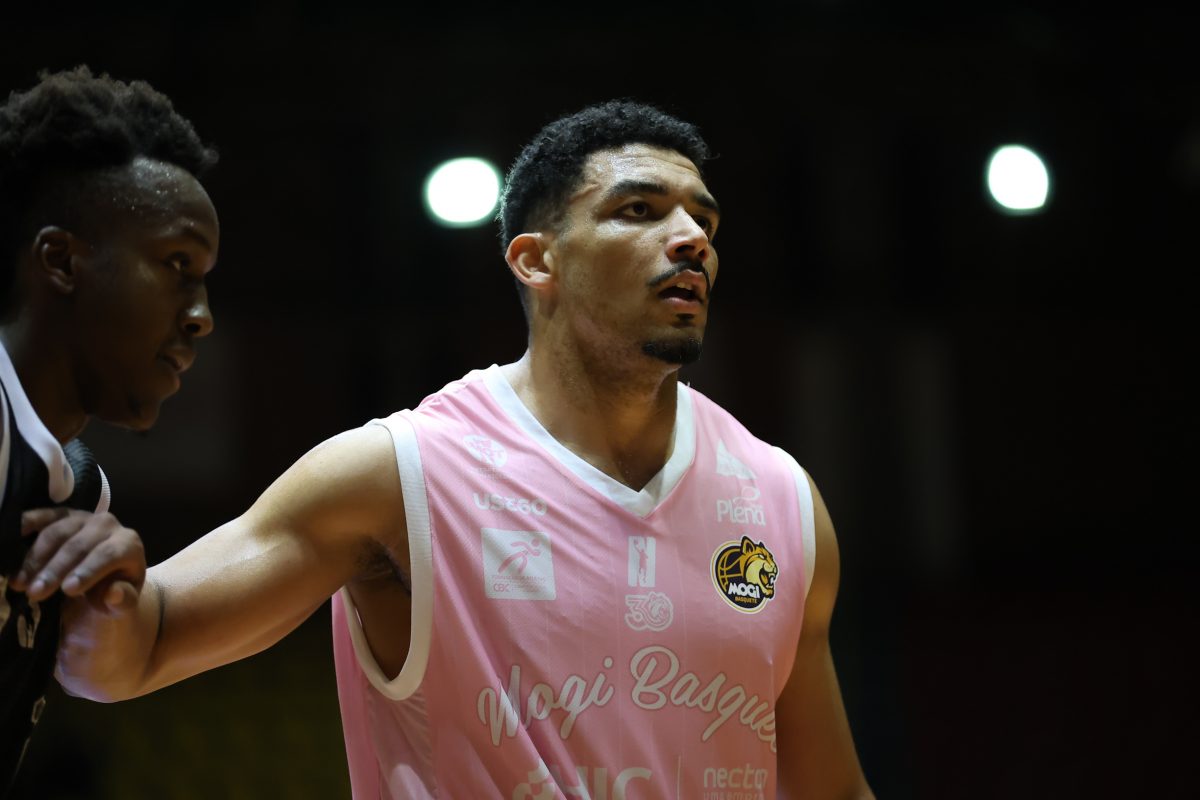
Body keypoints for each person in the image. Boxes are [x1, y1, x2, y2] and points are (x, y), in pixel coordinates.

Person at [36, 100, 872, 798]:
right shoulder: (399, 475)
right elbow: (134, 653)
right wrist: (108, 594)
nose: (692, 237)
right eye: (640, 211)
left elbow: (831, 790)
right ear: (536, 261)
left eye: (704, 218)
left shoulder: (779, 497)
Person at [0, 66, 219, 794]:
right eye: (178, 265)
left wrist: (116, 602)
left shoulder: (80, 488)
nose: (202, 316)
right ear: (61, 260)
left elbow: (100, 679)